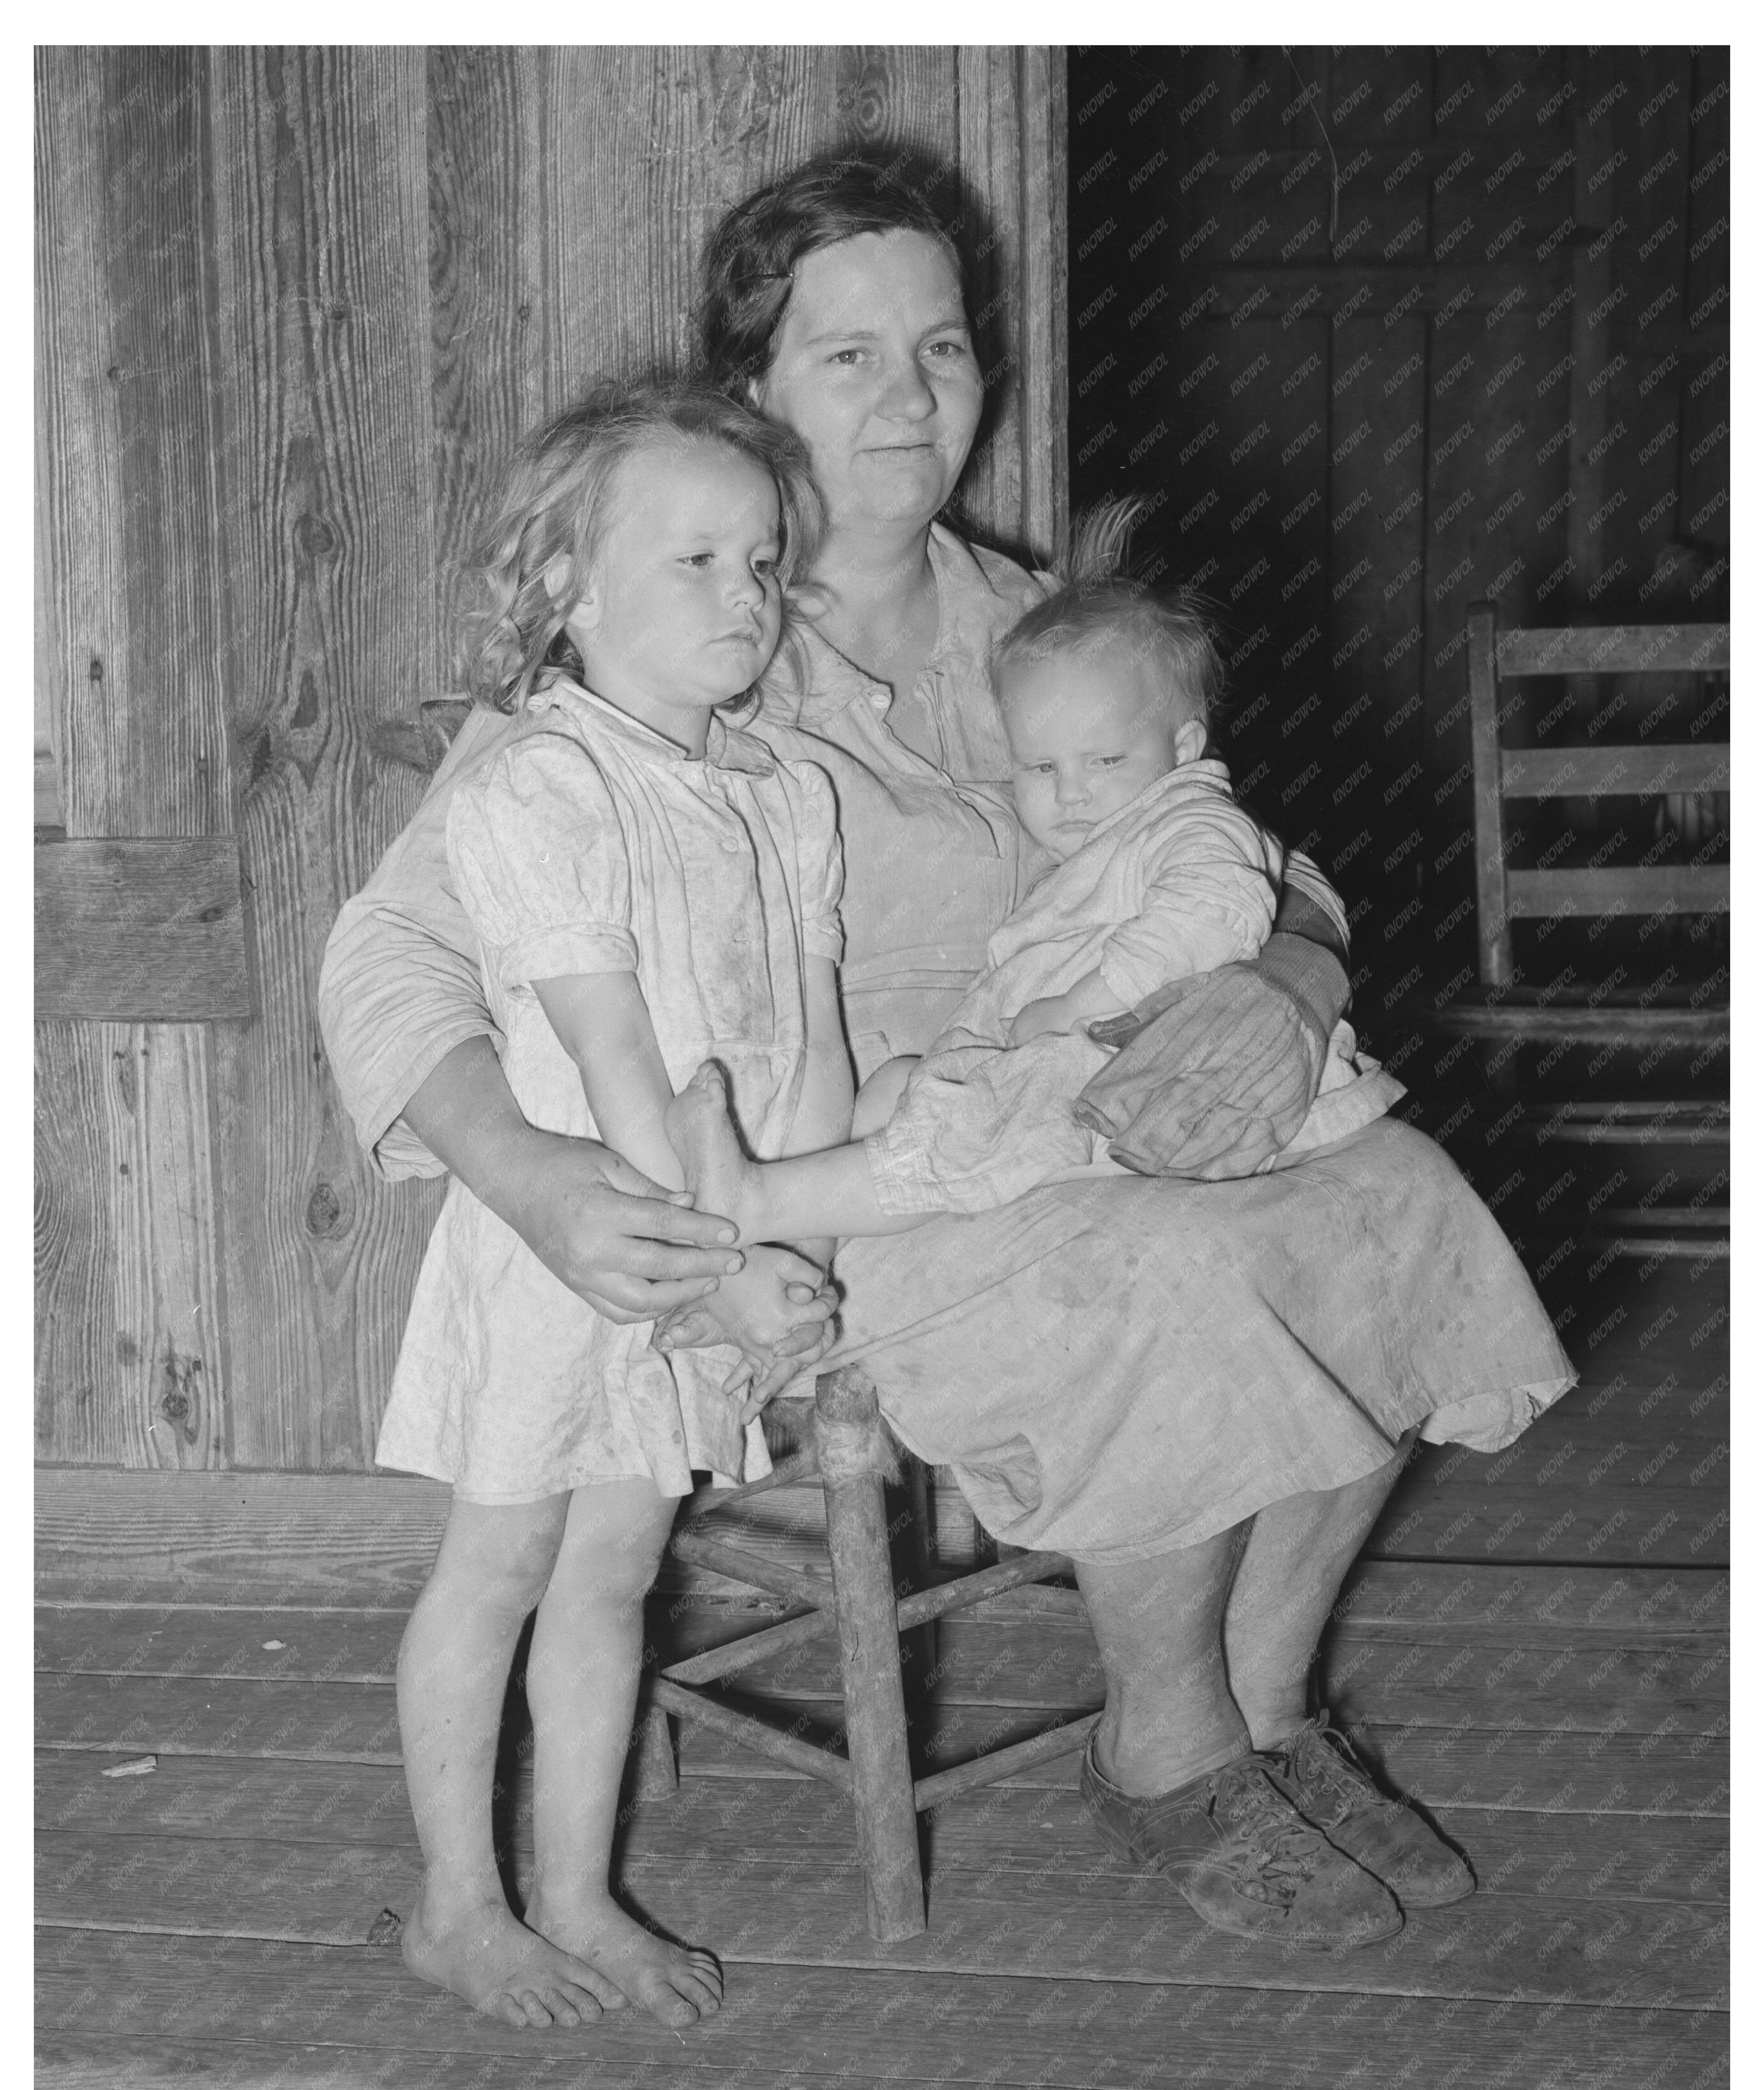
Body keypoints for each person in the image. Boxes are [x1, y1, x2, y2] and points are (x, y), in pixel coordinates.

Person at [320, 156, 1575, 1965]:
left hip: (1068, 1096)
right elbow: (390, 950)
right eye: (847, 356)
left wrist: (1293, 975)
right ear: (750, 392)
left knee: (1391, 1191)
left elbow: (1233, 838)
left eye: (942, 347)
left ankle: (1266, 1702)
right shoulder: (676, 640)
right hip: (843, 1170)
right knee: (1164, 1267)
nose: (910, 397)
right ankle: (1165, 1748)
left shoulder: (1034, 620)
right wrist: (527, 1176)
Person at [372, 382, 850, 2031]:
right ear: (567, 586)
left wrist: (797, 1244)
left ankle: (577, 1892)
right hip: (580, 1247)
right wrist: (717, 1271)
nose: (744, 595)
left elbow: (810, 1044)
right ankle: (457, 1903)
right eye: (694, 560)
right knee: (501, 1558)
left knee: (613, 1569)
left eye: (762, 561)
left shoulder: (785, 791)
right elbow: (618, 1063)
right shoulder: (541, 790)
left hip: (718, 1239)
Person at [661, 498, 1415, 1235]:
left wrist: (1083, 1002)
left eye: (1105, 760)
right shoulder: (1107, 836)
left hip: (1147, 1078)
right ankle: (800, 1227)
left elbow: (1217, 911)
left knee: (974, 1128)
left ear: (1185, 749)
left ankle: (762, 1207)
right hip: (1063, 1065)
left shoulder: (1190, 821)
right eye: (1040, 767)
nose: (1071, 792)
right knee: (900, 1092)